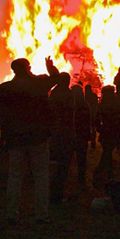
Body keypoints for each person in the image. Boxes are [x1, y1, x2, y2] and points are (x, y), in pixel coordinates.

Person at [0, 57, 60, 224]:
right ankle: (41, 214)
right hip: (38, 136)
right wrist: (50, 67)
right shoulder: (39, 84)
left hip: (16, 137)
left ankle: (11, 213)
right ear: (28, 68)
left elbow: (2, 114)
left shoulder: (5, 89)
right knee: (40, 176)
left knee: (15, 175)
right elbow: (57, 78)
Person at [48, 72, 77, 204]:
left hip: (54, 133)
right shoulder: (67, 94)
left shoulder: (54, 93)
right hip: (65, 133)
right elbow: (70, 114)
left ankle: (52, 192)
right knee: (63, 166)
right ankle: (57, 195)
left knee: (54, 164)